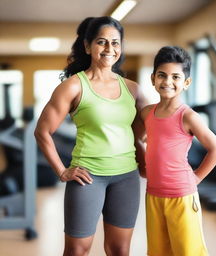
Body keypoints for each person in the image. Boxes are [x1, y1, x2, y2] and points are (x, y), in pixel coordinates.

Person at [34, 16, 147, 256]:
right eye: (102, 42)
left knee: (120, 249)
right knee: (77, 250)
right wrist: (61, 170)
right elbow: (42, 131)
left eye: (115, 43)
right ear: (88, 46)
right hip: (88, 177)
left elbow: (147, 130)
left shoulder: (133, 89)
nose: (109, 49)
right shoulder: (74, 86)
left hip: (126, 177)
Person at [140, 46, 216, 256]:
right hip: (153, 195)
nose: (168, 82)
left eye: (175, 77)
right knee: (158, 252)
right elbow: (138, 139)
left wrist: (196, 178)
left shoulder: (188, 116)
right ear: (153, 79)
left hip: (182, 195)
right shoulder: (147, 113)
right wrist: (143, 163)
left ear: (186, 83)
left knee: (187, 252)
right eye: (162, 75)